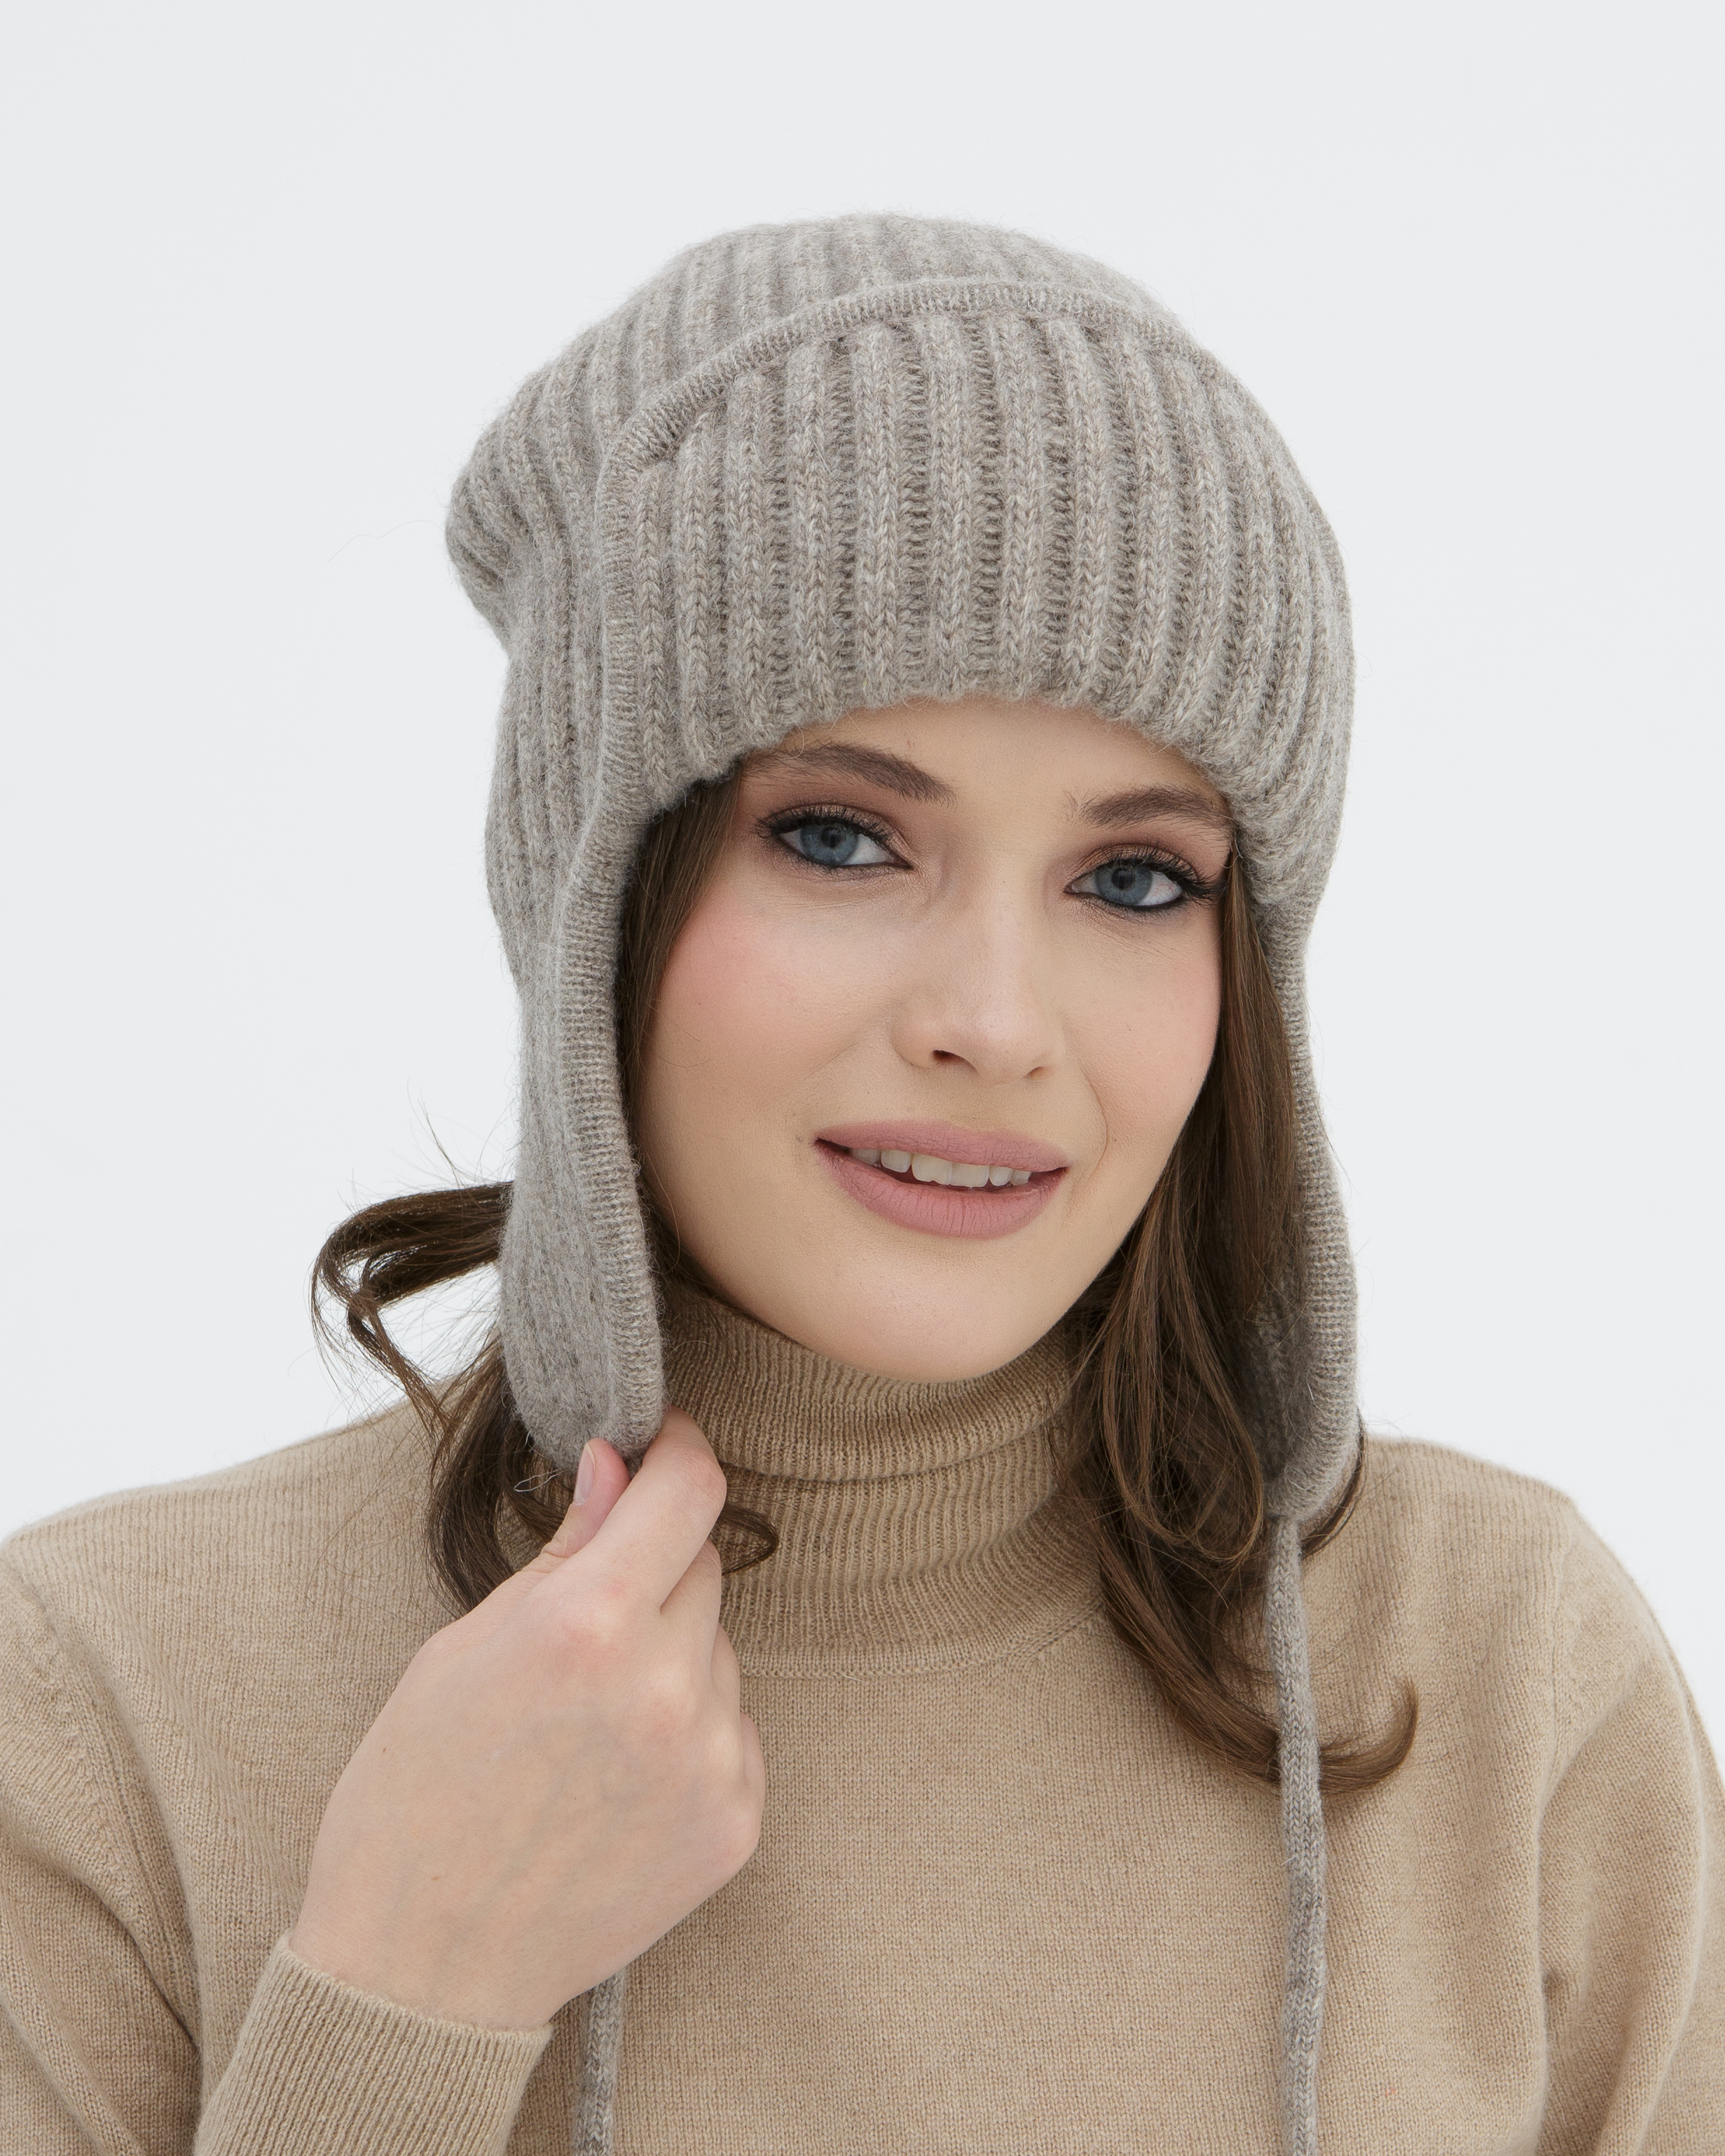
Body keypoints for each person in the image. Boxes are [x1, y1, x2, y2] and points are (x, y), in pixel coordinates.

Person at [1, 216, 1719, 2156]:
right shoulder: (103, 1707)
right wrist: (403, 1997)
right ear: (594, 896)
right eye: (838, 838)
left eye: (1134, 879)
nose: (994, 1021)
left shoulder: (1504, 1676)